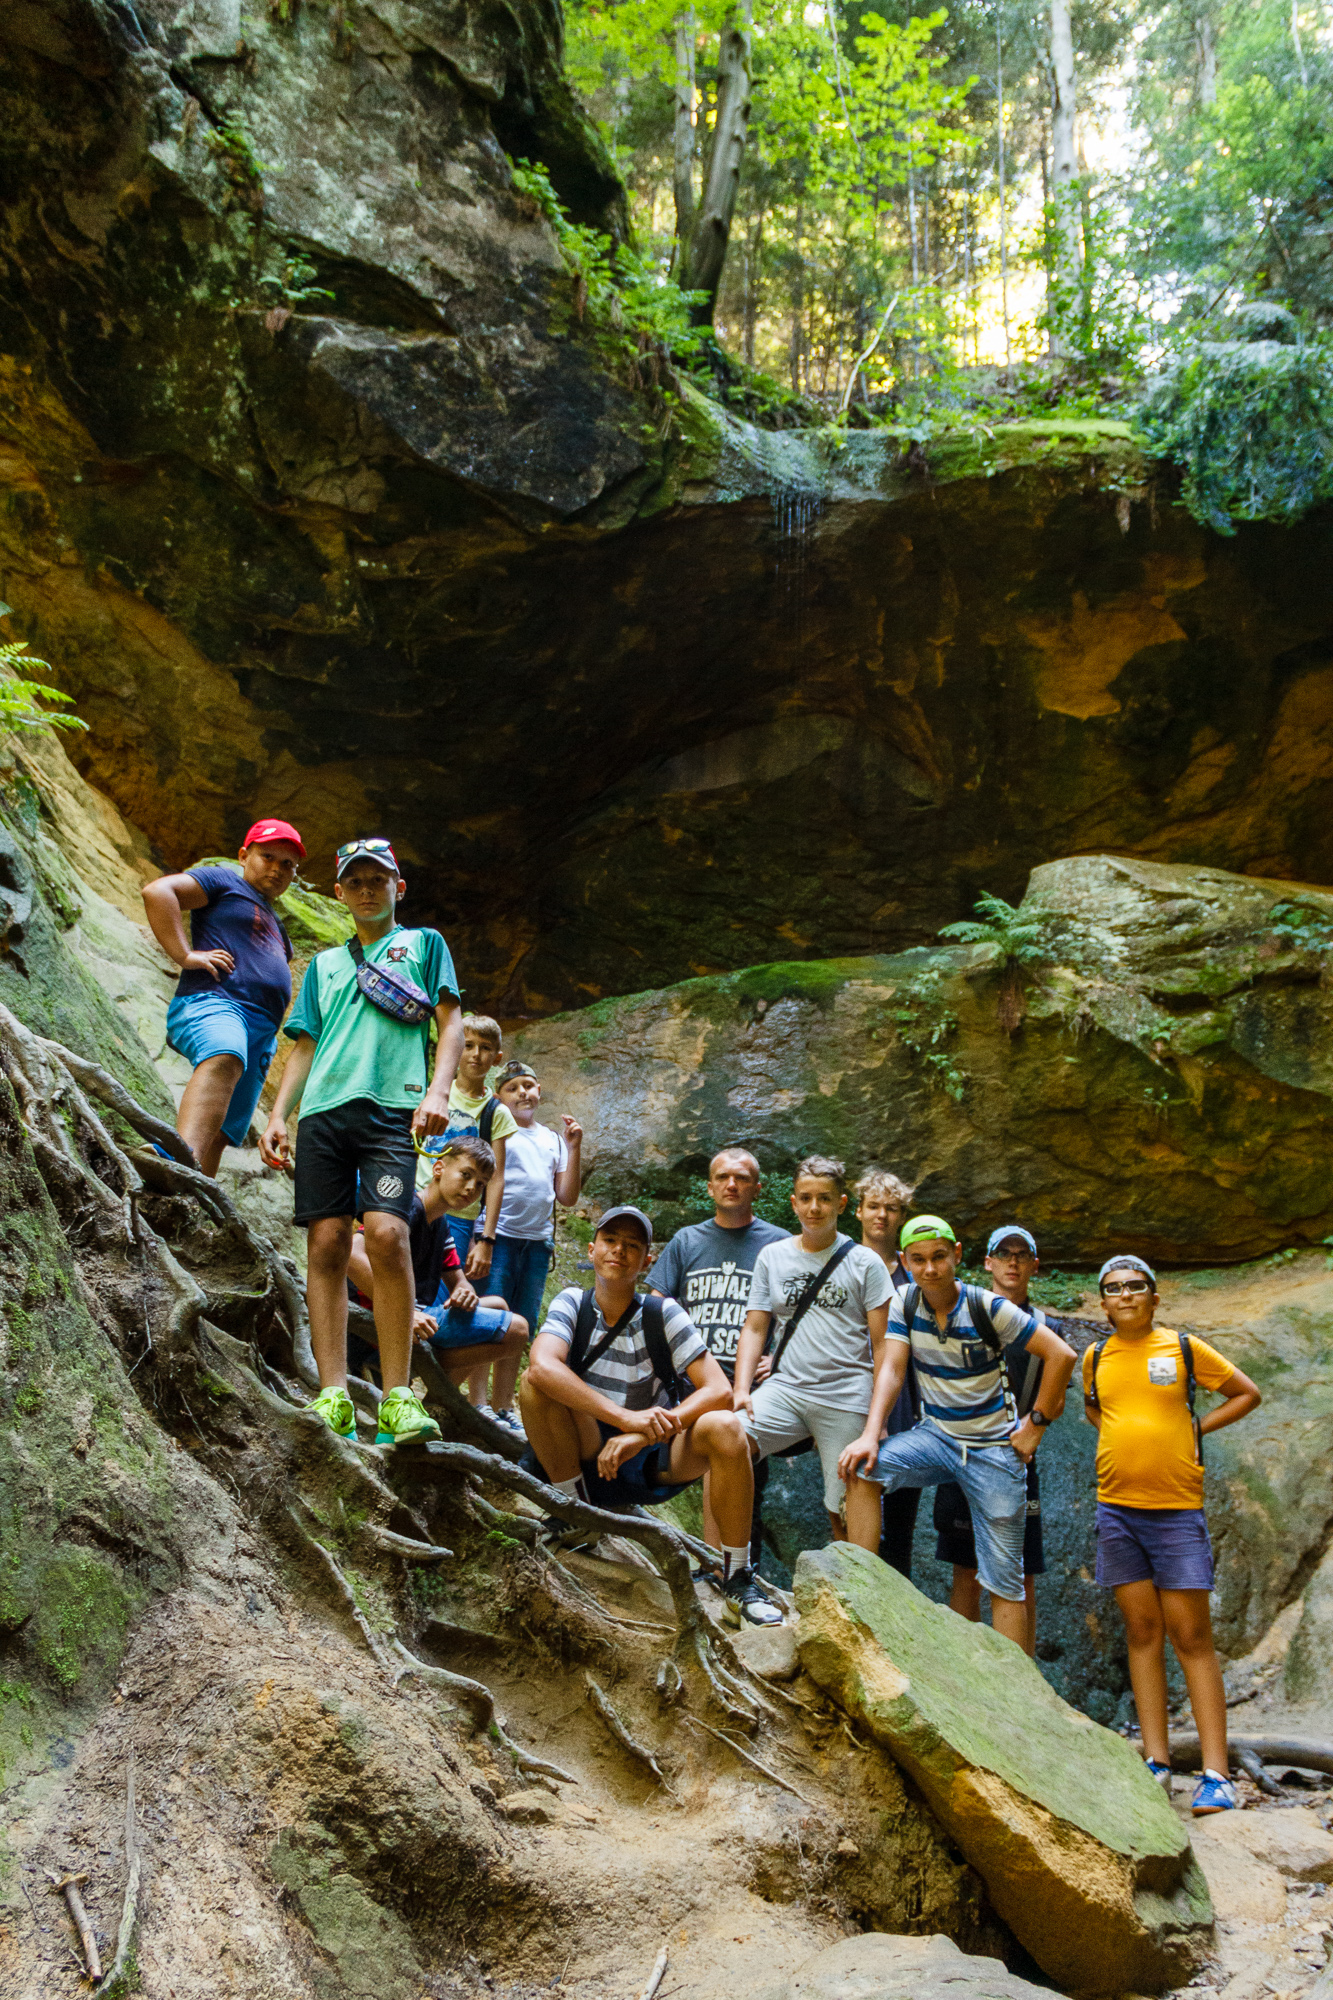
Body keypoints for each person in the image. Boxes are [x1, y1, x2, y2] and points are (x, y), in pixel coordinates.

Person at [258, 837, 463, 1448]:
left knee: (388, 1234)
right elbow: (305, 1045)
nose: (367, 889)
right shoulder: (325, 965)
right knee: (325, 1243)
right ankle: (334, 1396)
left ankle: (398, 1398)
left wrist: (439, 1091)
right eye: (355, 881)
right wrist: (279, 1113)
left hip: (392, 1110)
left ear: (399, 887)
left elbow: (450, 1021)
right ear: (340, 892)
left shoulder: (424, 945)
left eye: (378, 879)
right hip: (323, 1113)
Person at [520, 1206, 779, 1627]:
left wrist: (642, 1434)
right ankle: (575, 1514)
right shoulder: (572, 1303)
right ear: (592, 1249)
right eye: (610, 1240)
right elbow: (543, 1365)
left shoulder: (663, 1314)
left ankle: (737, 1577)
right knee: (534, 1384)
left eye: (632, 1245)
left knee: (727, 1427)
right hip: (585, 1445)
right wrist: (625, 1419)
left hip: (653, 1454)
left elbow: (720, 1390)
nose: (619, 1251)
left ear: (647, 1261)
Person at [840, 1216, 1077, 1650]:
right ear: (904, 1262)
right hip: (937, 1438)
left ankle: (1016, 1686)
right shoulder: (905, 1301)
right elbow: (892, 1369)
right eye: (919, 1260)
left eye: (939, 1257)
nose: (930, 1269)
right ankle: (864, 1593)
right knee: (862, 1468)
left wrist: (1035, 1425)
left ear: (957, 1255)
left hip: (993, 1451)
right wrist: (871, 1434)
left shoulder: (988, 1307)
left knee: (1005, 1582)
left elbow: (1061, 1355)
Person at [1084, 1254, 1261, 1815]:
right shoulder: (1095, 1357)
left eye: (1136, 1286)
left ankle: (1217, 1773)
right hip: (1117, 1510)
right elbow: (1096, 1410)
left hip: (1176, 1511)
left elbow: (1245, 1393)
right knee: (1141, 1631)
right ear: (1103, 1303)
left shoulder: (1183, 1349)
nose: (1126, 1295)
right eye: (1115, 1288)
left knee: (1191, 1635)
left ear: (1154, 1298)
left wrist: (1193, 1429)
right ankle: (1156, 1763)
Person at [733, 1157, 892, 1553]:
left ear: (841, 1204)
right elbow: (755, 1328)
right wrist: (741, 1390)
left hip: (846, 1393)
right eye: (805, 1198)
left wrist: (877, 1422)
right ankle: (725, 1566)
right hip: (786, 1389)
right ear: (794, 1203)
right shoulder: (772, 1257)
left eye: (824, 1199)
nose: (814, 1207)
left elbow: (884, 1347)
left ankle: (861, 1586)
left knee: (844, 1503)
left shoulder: (865, 1263)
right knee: (725, 1436)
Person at [650, 1148, 789, 1577]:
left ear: (757, 1188)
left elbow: (803, 1311)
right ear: (709, 1187)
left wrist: (781, 1358)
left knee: (746, 1481)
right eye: (723, 1177)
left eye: (742, 1178)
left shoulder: (780, 1244)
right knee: (693, 1466)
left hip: (753, 1387)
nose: (732, 1184)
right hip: (694, 1382)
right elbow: (655, 1307)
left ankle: (737, 1573)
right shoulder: (687, 1242)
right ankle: (714, 1568)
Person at [143, 819, 304, 1176]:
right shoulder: (224, 880)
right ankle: (179, 1161)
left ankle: (193, 1197)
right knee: (224, 1055)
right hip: (217, 1001)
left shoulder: (278, 926)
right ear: (244, 856)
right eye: (267, 857)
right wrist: (185, 955)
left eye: (287, 864)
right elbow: (159, 892)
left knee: (222, 1131)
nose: (277, 869)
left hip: (261, 1033)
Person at [932, 1226, 1060, 1656]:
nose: (1013, 1262)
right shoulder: (961, 1315)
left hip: (1017, 1459)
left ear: (1034, 1265)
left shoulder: (1047, 1327)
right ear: (987, 1262)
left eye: (1022, 1255)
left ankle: (1024, 1680)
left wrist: (1033, 1427)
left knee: (1021, 1574)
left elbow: (1056, 1392)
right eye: (1004, 1253)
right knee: (965, 1571)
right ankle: (965, 1676)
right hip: (963, 1453)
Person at [346, 1136, 528, 1390]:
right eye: (466, 1174)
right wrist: (404, 1312)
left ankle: (433, 1399)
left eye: (480, 1184)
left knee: (498, 1303)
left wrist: (464, 1292)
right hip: (374, 1325)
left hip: (415, 1316)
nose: (471, 1188)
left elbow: (459, 1281)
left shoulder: (440, 1223)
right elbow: (352, 1255)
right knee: (517, 1330)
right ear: (438, 1168)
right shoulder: (406, 1209)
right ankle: (395, 1366)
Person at [481, 1059, 583, 1438]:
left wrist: (573, 1148)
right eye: (512, 1087)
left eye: (528, 1085)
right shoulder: (496, 1131)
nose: (522, 1092)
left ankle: (503, 1406)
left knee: (522, 1324)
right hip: (499, 1237)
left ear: (539, 1090)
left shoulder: (552, 1140)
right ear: (498, 1097)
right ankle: (478, 1402)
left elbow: (567, 1197)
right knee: (490, 1318)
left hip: (537, 1243)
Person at [853, 1168, 920, 1578]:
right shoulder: (841, 1261)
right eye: (874, 1206)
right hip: (847, 1394)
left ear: (902, 1216)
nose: (882, 1215)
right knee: (845, 1509)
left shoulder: (914, 1272)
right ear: (858, 1211)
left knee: (899, 1525)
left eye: (891, 1208)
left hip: (903, 1402)